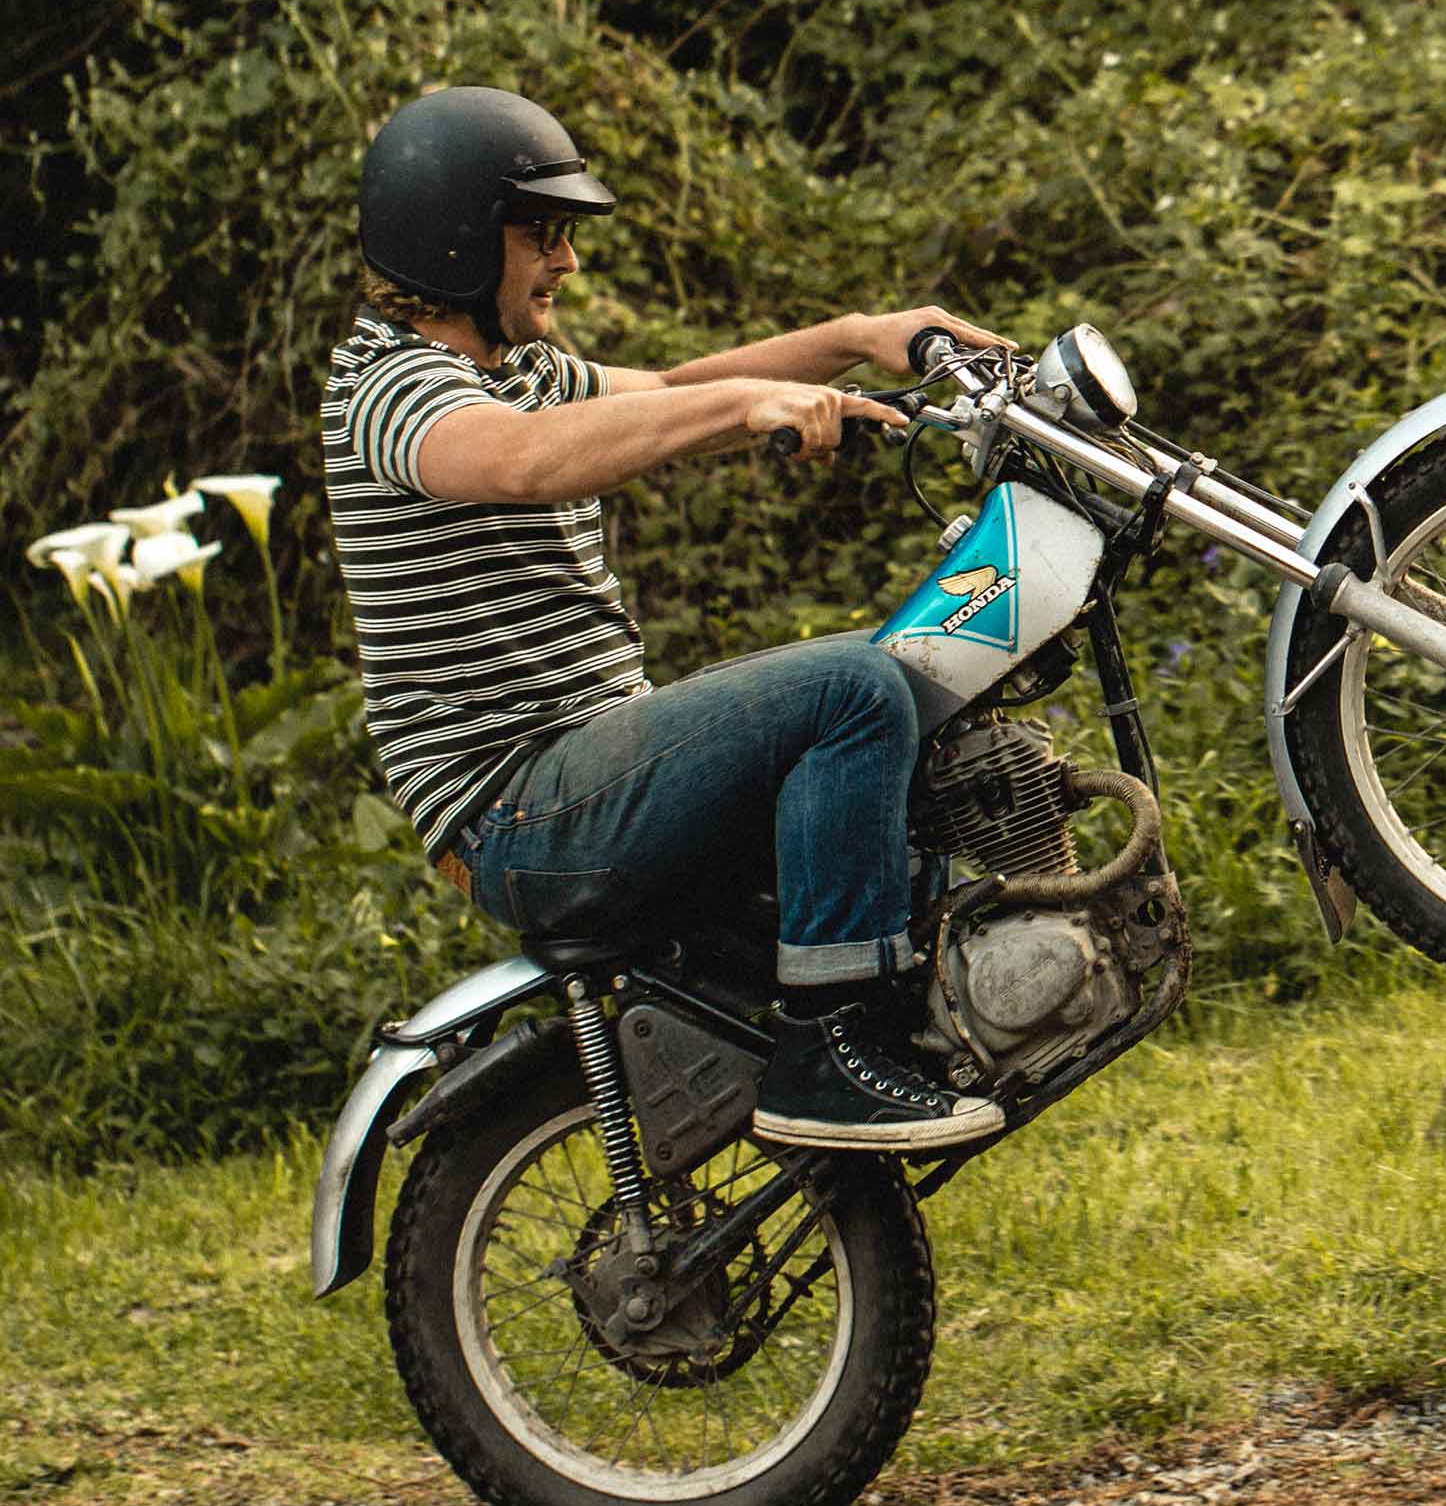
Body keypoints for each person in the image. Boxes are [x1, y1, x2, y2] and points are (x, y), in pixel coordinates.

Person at [322, 84, 1012, 1149]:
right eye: (539, 234)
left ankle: (912, 1004)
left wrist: (858, 335)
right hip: (518, 808)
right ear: (455, 240)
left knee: (910, 665)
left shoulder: (520, 369)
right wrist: (744, 410)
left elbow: (672, 385)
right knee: (852, 689)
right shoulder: (391, 388)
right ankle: (825, 1053)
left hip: (574, 775)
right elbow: (521, 460)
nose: (565, 262)